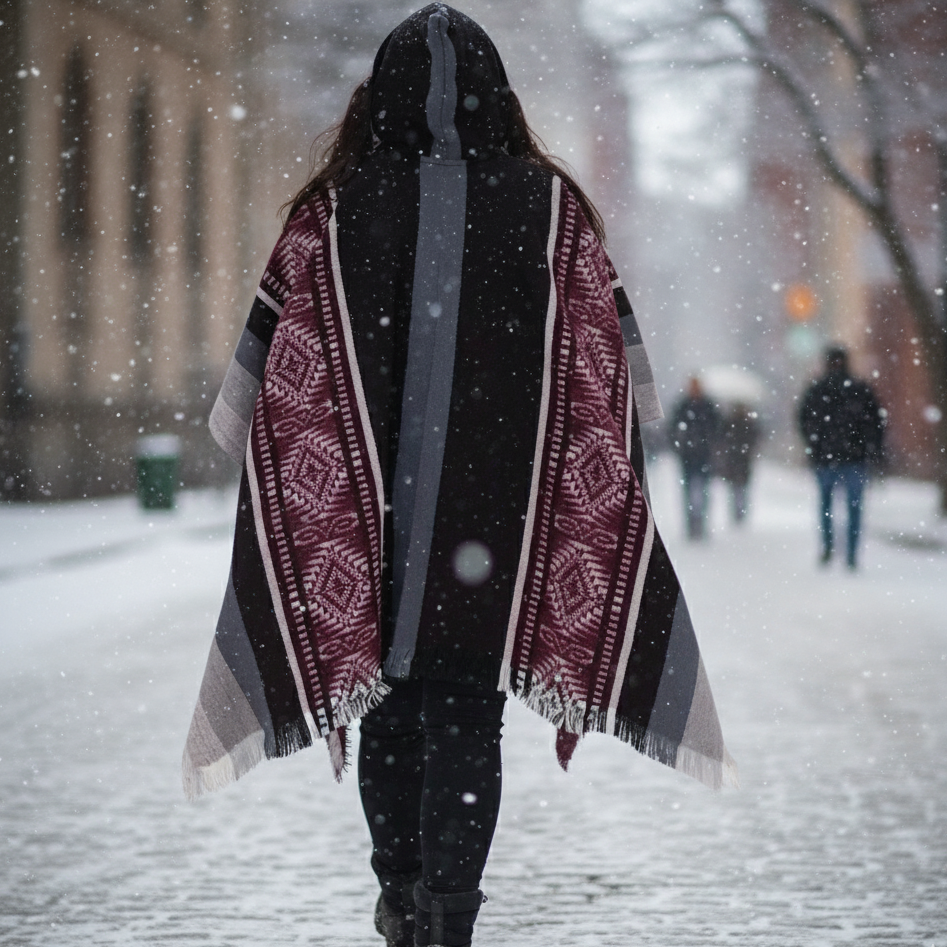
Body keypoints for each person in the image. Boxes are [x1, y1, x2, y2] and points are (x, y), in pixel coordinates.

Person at [181, 7, 736, 946]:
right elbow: (609, 377)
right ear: (502, 96)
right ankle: (447, 917)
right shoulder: (551, 210)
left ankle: (400, 897)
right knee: (466, 721)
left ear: (376, 96)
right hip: (496, 529)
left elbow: (263, 386)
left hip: (368, 527)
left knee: (391, 715)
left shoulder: (334, 209)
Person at [798, 345, 885, 569]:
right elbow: (875, 422)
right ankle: (850, 552)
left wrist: (815, 443)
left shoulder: (818, 389)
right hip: (851, 458)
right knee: (851, 507)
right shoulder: (859, 389)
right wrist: (869, 447)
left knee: (828, 505)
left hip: (830, 458)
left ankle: (832, 548)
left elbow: (803, 419)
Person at [669, 376, 722, 540]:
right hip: (688, 455)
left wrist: (711, 442)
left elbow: (717, 427)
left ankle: (702, 524)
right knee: (689, 492)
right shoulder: (683, 406)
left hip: (703, 455)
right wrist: (679, 445)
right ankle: (691, 524)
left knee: (703, 490)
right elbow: (672, 429)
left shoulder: (708, 406)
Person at [717, 402, 761, 524]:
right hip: (739, 459)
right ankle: (740, 510)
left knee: (737, 488)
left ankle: (738, 510)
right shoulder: (745, 423)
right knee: (739, 488)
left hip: (737, 459)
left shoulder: (733, 423)